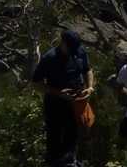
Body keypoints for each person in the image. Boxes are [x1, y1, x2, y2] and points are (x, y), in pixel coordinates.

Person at [32, 29, 95, 166]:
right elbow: (37, 84)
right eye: (70, 48)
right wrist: (59, 93)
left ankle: (70, 161)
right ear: (63, 43)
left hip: (75, 102)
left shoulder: (80, 52)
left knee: (72, 135)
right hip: (55, 104)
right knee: (54, 137)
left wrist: (89, 87)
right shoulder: (50, 58)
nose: (73, 51)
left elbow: (87, 70)